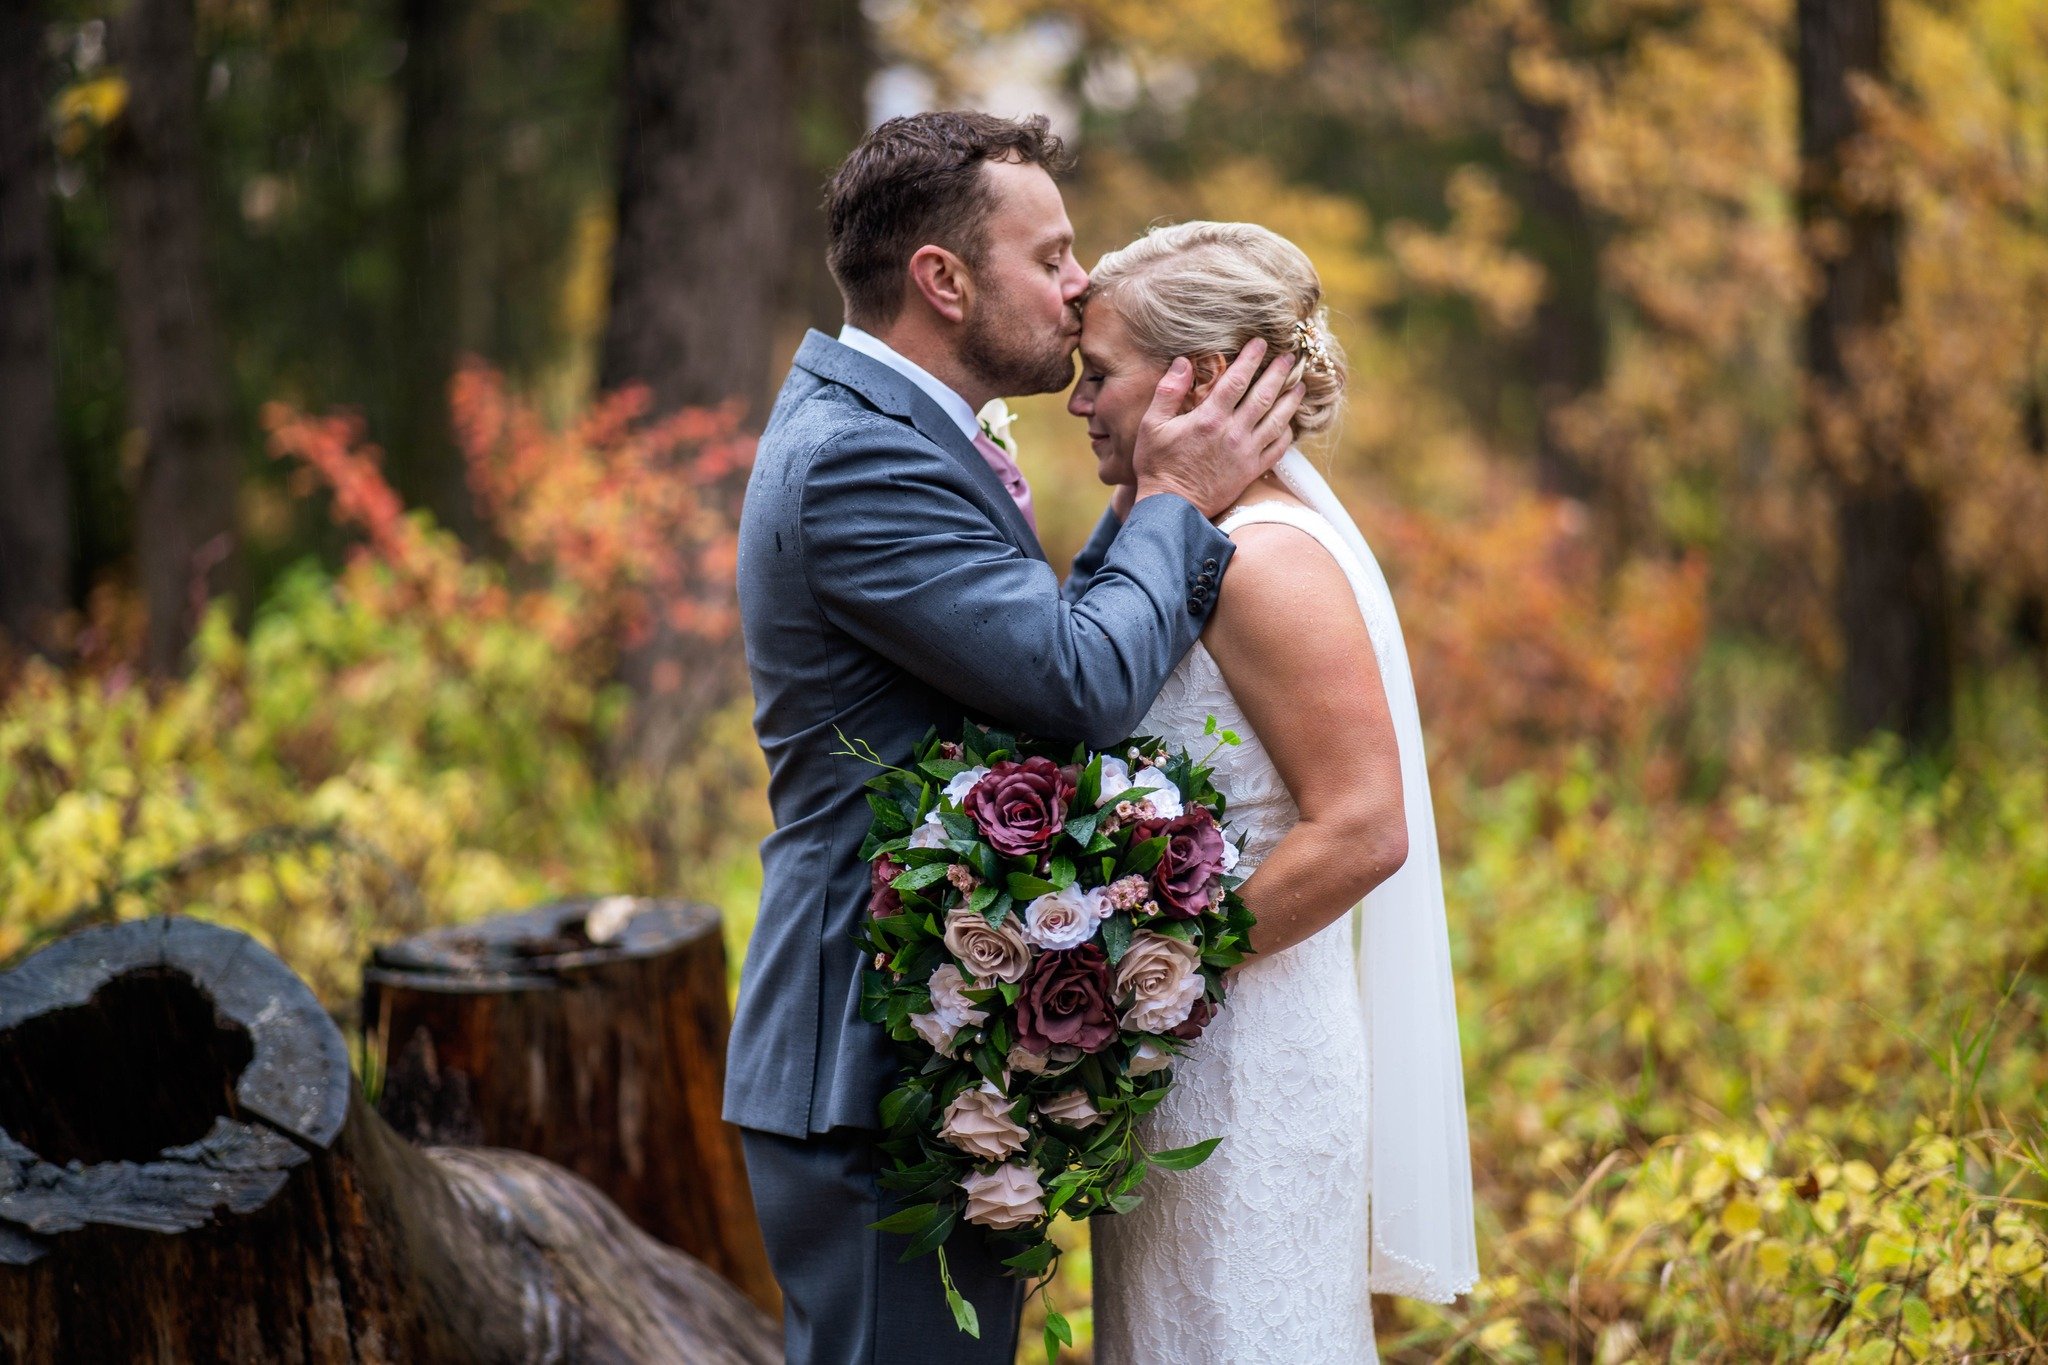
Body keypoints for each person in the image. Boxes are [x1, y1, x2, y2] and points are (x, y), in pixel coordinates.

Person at [726, 114, 1302, 1364]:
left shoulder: (898, 432)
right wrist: (1176, 500)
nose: (1080, 282)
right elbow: (1078, 677)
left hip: (926, 1049)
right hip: (865, 1060)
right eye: (1050, 255)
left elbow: (1035, 650)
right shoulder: (855, 461)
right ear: (942, 279)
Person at [1069, 221, 1479, 1362]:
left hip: (1241, 1063)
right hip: (1184, 1057)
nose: (1076, 401)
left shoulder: (1265, 562)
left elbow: (1362, 829)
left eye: (1096, 373)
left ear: (1193, 379)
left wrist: (1149, 974)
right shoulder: (1182, 536)